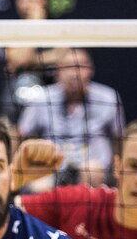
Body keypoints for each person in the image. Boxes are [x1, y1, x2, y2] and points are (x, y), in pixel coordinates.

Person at [17, 48, 124, 187]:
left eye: (80, 67)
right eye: (68, 67)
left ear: (91, 70)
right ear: (57, 71)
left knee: (92, 171)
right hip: (53, 170)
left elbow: (120, 140)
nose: (74, 73)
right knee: (38, 184)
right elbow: (21, 134)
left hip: (94, 171)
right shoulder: (43, 98)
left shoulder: (108, 98)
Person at [0, 0, 66, 126]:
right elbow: (20, 59)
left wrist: (32, 60)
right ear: (17, 3)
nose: (29, 1)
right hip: (19, 99)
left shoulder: (58, 29)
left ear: (44, 1)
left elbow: (63, 57)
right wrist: (34, 23)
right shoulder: (13, 31)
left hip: (55, 95)